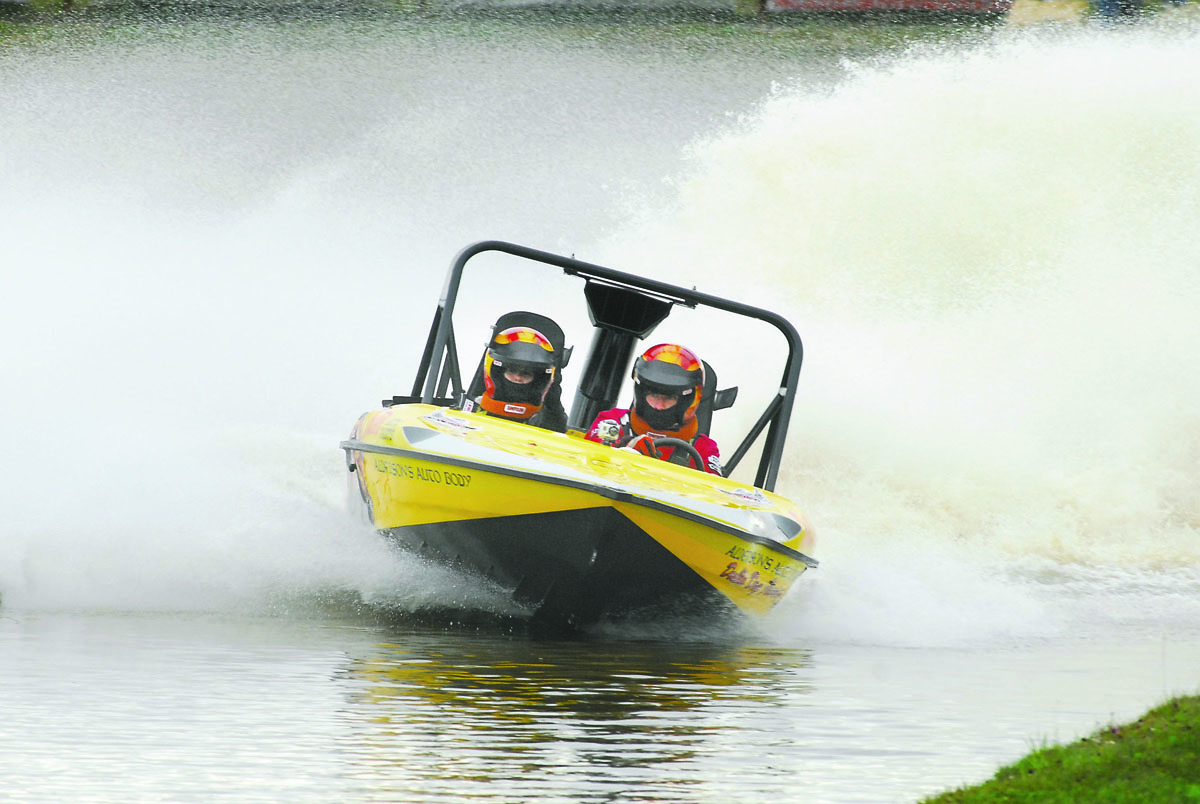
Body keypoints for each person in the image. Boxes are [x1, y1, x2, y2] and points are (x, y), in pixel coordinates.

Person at [585, 343, 722, 476]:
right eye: (654, 395)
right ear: (641, 393)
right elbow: (588, 460)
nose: (659, 406)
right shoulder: (612, 421)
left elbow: (712, 490)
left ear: (687, 400)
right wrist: (626, 448)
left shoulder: (703, 447)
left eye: (669, 398)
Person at [461, 315, 569, 432]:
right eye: (512, 371)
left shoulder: (544, 419)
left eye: (526, 374)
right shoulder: (471, 410)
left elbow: (555, 430)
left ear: (538, 381)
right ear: (498, 373)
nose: (518, 378)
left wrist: (553, 405)